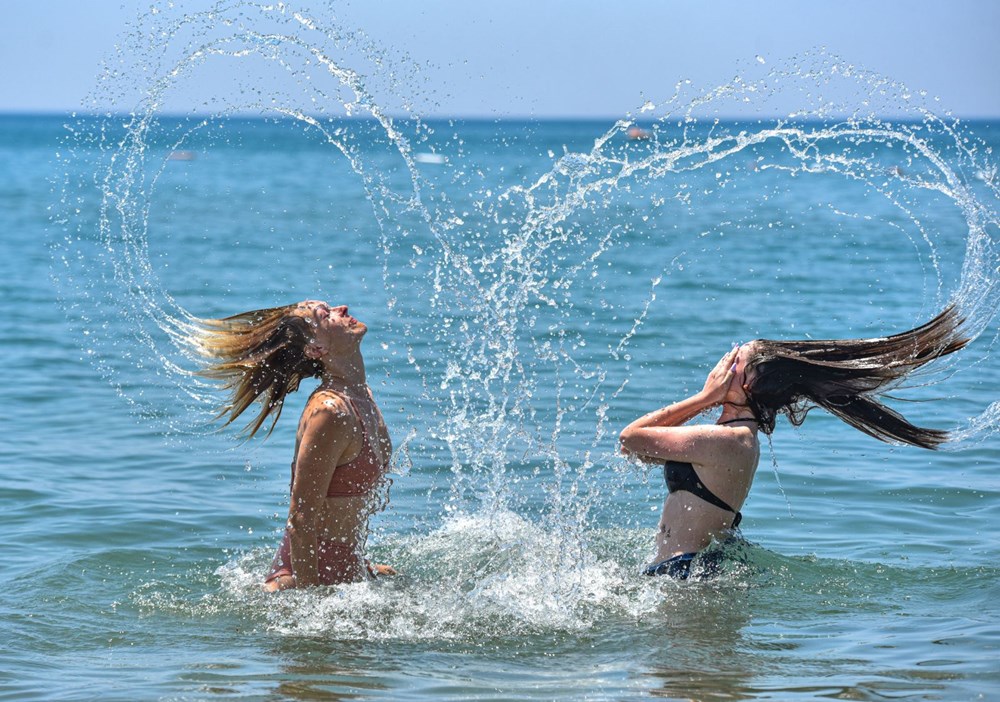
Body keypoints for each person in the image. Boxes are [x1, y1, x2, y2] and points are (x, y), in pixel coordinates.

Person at [619, 306, 970, 579]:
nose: (726, 358)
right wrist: (709, 401)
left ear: (748, 385)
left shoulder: (726, 440)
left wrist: (703, 398)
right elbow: (633, 449)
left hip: (683, 575)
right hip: (686, 571)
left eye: (736, 359)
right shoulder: (729, 437)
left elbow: (629, 437)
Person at [194, 300, 395, 590]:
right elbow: (301, 522)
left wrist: (355, 563)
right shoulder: (329, 411)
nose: (342, 308)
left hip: (346, 570)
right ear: (316, 349)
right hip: (306, 580)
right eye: (326, 315)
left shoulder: (361, 397)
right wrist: (313, 607)